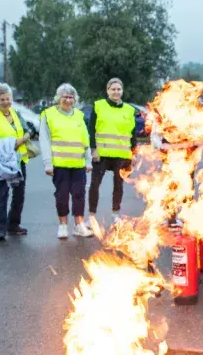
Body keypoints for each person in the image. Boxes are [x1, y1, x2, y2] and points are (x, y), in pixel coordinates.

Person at [40, 83, 94, 239]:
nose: (68, 100)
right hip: (59, 165)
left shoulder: (79, 115)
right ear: (58, 98)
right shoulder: (48, 115)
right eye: (65, 97)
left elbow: (85, 139)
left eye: (71, 97)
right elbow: (44, 140)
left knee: (79, 195)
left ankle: (79, 225)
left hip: (78, 164)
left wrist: (88, 160)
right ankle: (63, 225)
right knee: (62, 195)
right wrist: (47, 163)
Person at [0, 83, 31, 240]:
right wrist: (12, 143)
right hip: (2, 162)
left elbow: (27, 130)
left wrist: (26, 136)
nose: (6, 102)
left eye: (8, 98)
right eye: (2, 99)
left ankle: (13, 225)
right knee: (2, 194)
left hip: (19, 161)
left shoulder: (16, 113)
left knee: (19, 195)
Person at [87, 78, 137, 225]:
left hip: (121, 154)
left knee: (118, 186)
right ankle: (91, 216)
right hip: (102, 154)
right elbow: (91, 129)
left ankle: (115, 214)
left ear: (122, 91)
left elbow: (132, 134)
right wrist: (93, 149)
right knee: (95, 185)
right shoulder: (98, 106)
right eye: (113, 89)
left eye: (118, 89)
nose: (116, 92)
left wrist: (133, 153)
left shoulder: (129, 110)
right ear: (107, 91)